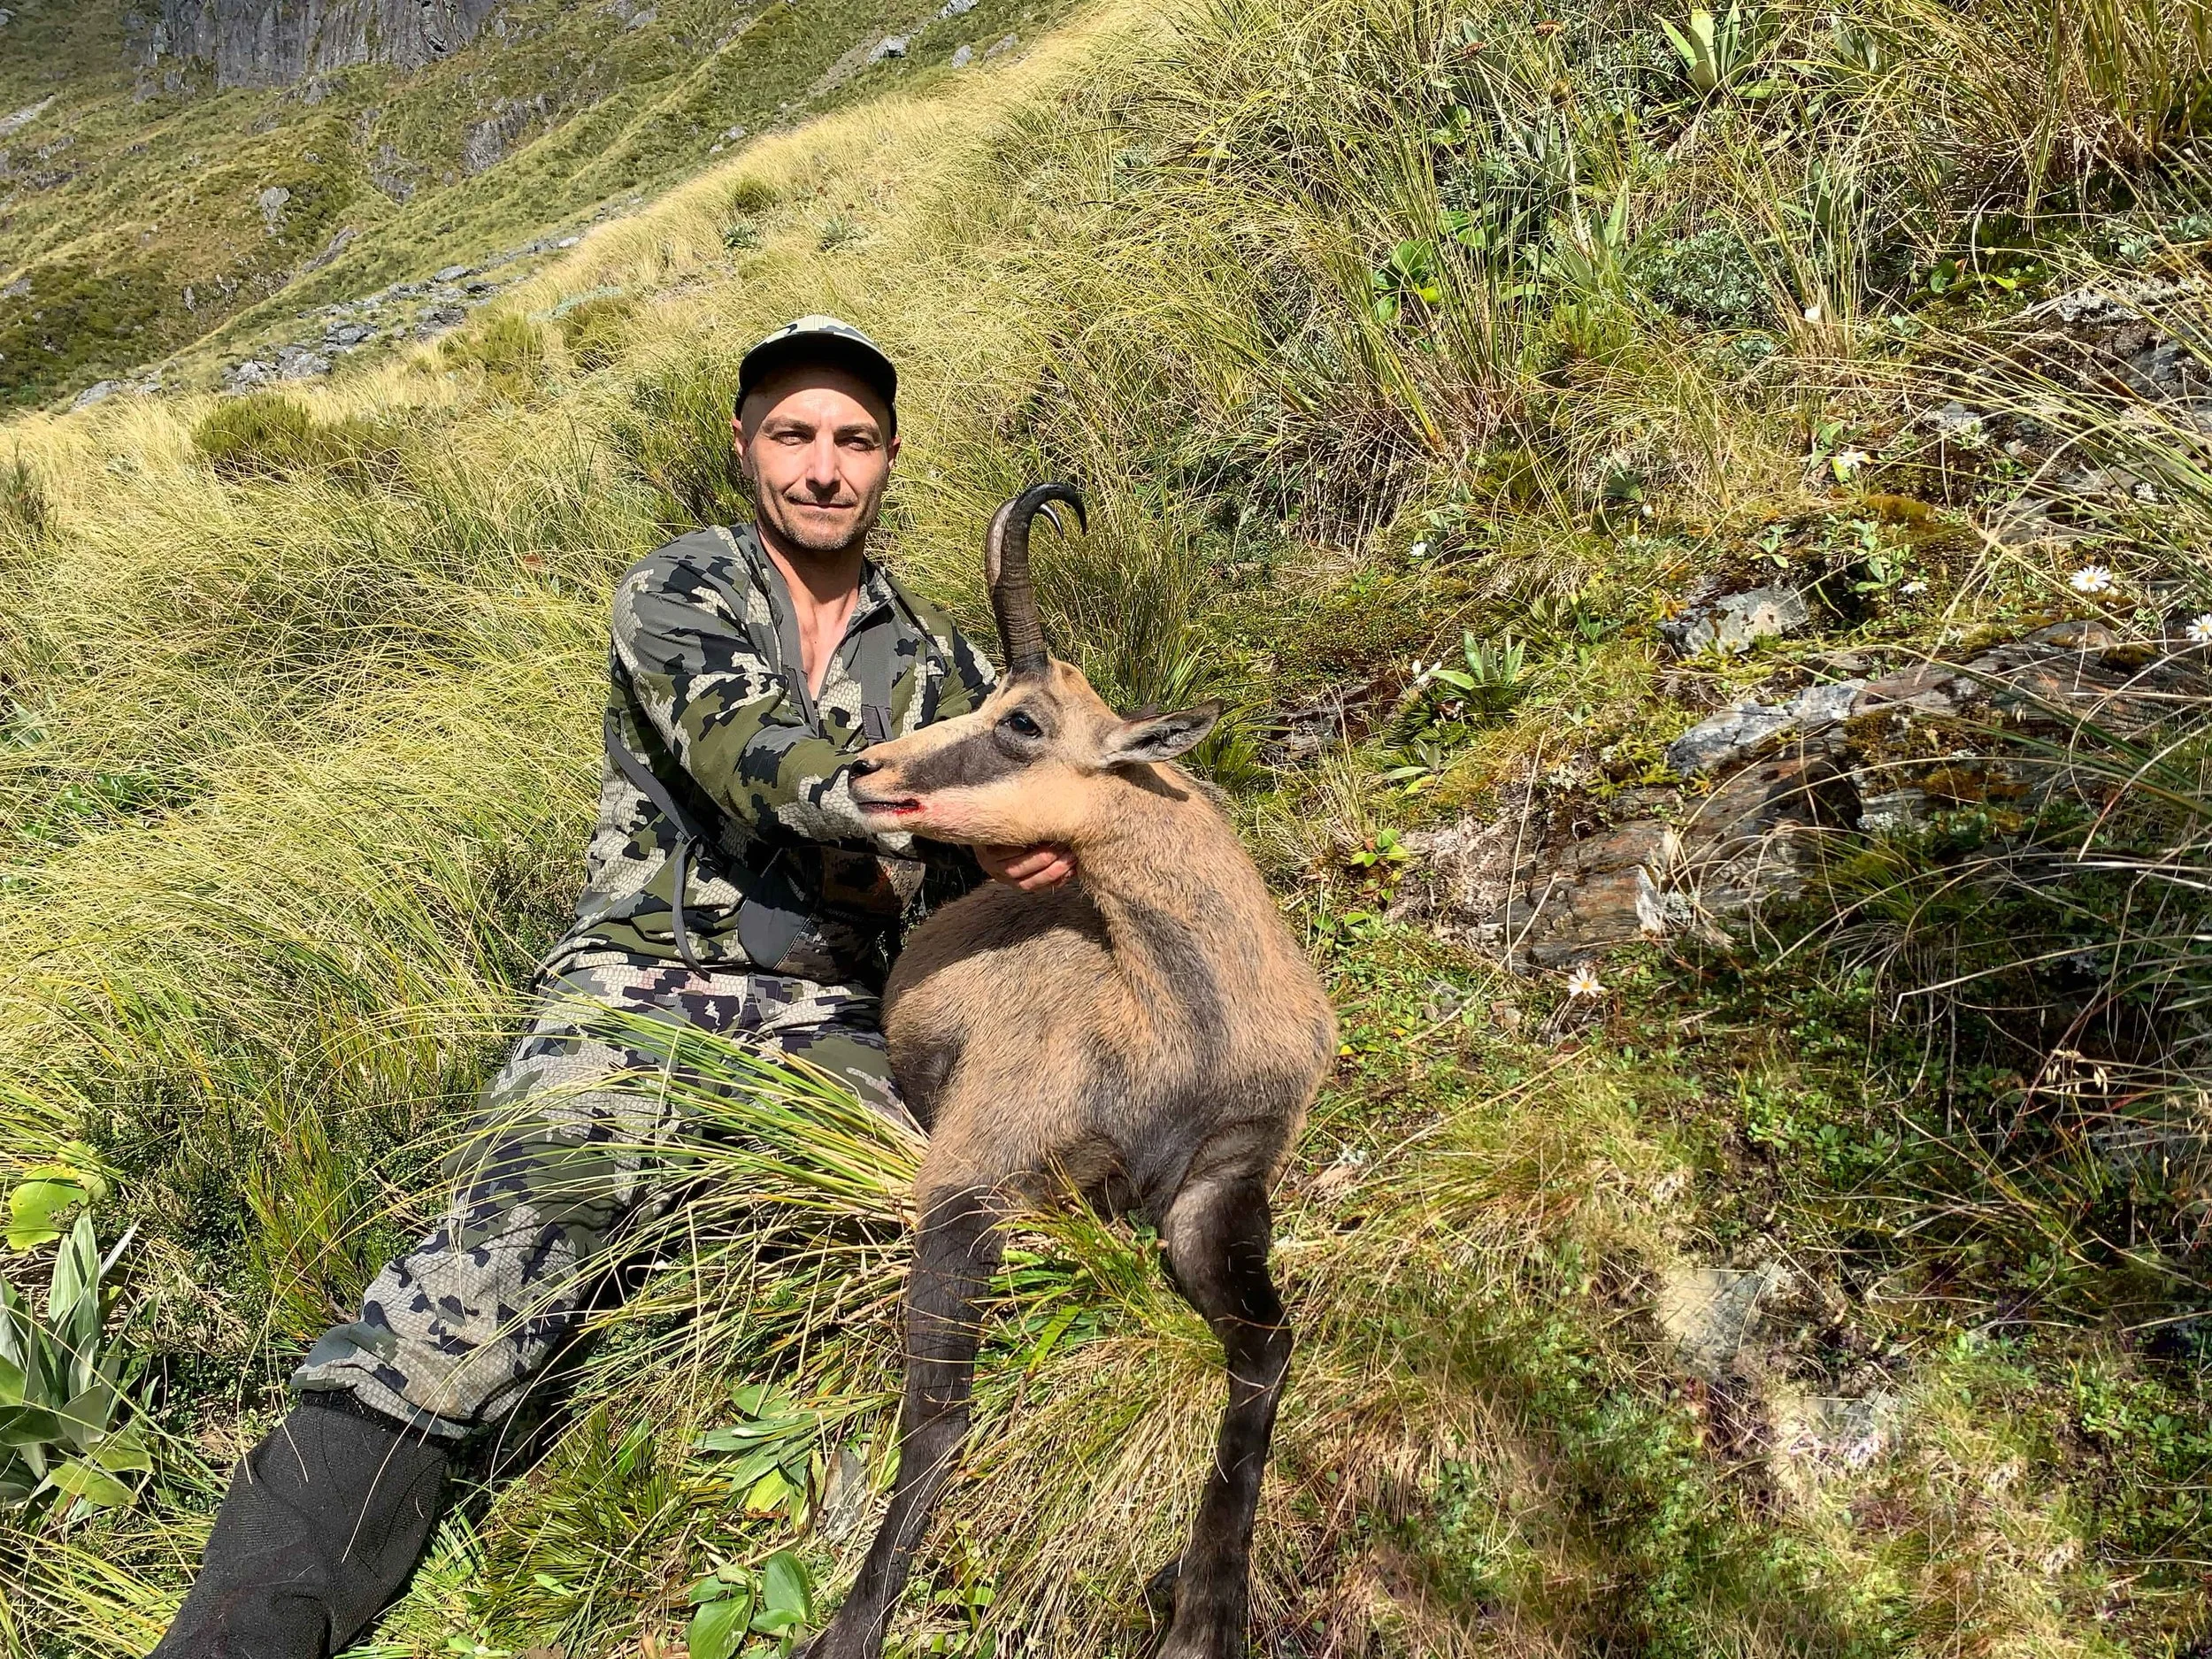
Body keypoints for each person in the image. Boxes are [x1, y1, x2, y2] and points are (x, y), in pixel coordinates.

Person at [151, 317, 1072, 1659]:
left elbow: (1006, 823)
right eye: (795, 434)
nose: (824, 468)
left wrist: (1039, 839)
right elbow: (756, 754)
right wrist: (959, 810)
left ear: (887, 461)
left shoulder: (937, 664)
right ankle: (247, 1630)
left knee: (999, 1231)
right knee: (476, 1288)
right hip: (641, 994)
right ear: (746, 444)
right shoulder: (679, 592)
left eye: (855, 441)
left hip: (834, 1022)